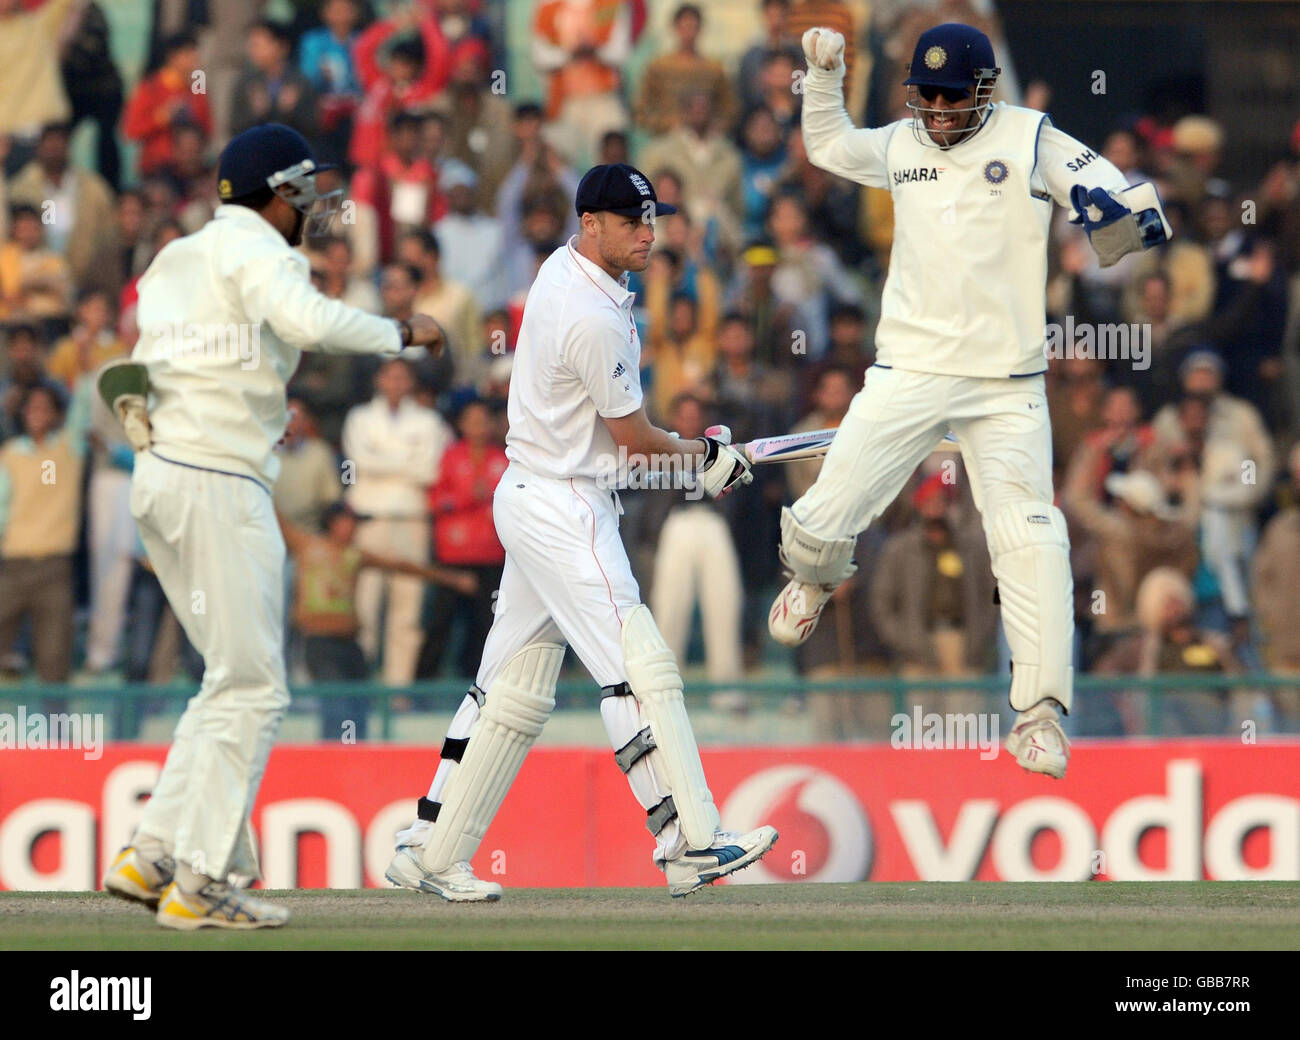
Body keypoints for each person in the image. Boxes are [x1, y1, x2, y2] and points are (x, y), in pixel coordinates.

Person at [768, 24, 1174, 780]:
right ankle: (814, 576)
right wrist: (822, 78)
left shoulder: (1029, 138)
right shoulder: (901, 144)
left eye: (955, 95)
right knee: (828, 510)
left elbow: (1123, 203)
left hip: (1006, 381)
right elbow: (829, 147)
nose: (940, 109)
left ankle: (1042, 715)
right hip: (910, 367)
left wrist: (1116, 215)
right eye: (927, 96)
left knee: (1030, 535)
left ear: (986, 89)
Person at [385, 163, 777, 901]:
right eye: (632, 222)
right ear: (590, 222)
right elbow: (631, 438)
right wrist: (705, 459)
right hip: (566, 504)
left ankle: (427, 847)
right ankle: (688, 839)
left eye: (652, 220)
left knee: (509, 689)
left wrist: (699, 454)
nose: (647, 234)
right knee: (637, 665)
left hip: (534, 491)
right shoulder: (594, 314)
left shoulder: (561, 268)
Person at [99, 124, 448, 930]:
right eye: (308, 193)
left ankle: (151, 854)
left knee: (227, 678)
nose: (316, 207)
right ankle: (202, 881)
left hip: (162, 481)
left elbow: (163, 367)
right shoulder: (264, 250)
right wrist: (402, 331)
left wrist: (259, 409)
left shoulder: (173, 261)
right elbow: (309, 321)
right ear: (279, 193)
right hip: (220, 485)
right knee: (256, 687)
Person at [281, 501, 477, 740]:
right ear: (335, 522)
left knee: (359, 706)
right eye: (351, 522)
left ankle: (355, 758)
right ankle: (333, 760)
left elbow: (402, 566)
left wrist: (453, 580)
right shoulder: (307, 546)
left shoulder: (354, 555)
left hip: (350, 644)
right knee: (337, 707)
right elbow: (279, 520)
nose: (355, 529)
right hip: (319, 643)